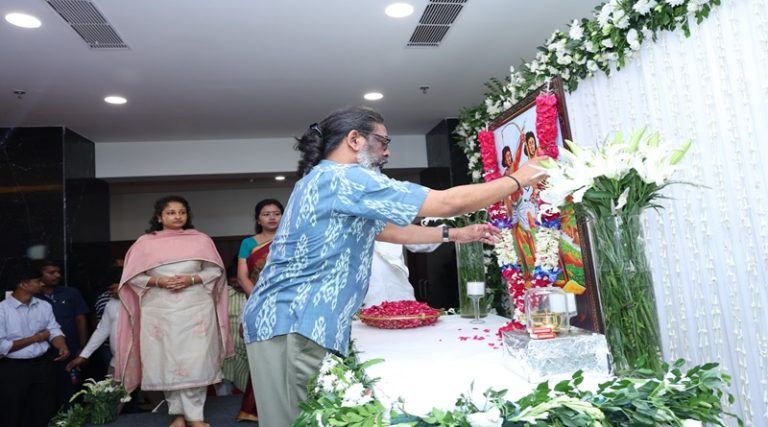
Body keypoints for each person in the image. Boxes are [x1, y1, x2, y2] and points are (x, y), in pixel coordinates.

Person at [241, 106, 546, 426]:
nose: (387, 151)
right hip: (293, 321)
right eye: (382, 141)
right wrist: (518, 178)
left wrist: (455, 234)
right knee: (296, 420)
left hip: (300, 321)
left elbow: (385, 230)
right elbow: (447, 202)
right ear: (355, 140)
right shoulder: (342, 177)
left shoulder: (324, 178)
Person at [115, 195, 233, 427]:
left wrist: (191, 279)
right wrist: (159, 282)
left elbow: (215, 271)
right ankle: (177, 414)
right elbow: (132, 277)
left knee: (196, 360)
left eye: (182, 212)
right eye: (171, 212)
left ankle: (195, 416)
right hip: (160, 309)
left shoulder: (201, 240)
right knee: (167, 360)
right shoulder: (145, 243)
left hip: (196, 308)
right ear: (159, 217)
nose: (177, 216)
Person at [0, 260, 70, 427]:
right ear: (23, 284)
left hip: (42, 365)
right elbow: (2, 347)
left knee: (44, 411)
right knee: (13, 413)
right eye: (37, 281)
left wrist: (61, 345)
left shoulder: (44, 306)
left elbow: (54, 329)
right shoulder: (2, 310)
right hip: (13, 369)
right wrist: (37, 338)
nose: (42, 283)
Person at [35, 259, 90, 407]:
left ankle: (71, 417)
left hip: (69, 351)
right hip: (42, 354)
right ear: (39, 275)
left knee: (70, 391)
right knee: (44, 393)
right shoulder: (33, 297)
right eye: (51, 272)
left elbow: (80, 319)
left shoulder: (71, 293)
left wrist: (82, 347)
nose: (57, 275)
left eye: (58, 272)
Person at [66, 267, 122, 376]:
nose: (110, 293)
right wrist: (84, 355)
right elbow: (102, 330)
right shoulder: (111, 304)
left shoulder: (142, 303)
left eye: (113, 289)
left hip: (142, 364)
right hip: (116, 363)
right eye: (108, 290)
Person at [364, 242, 439, 306]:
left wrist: (445, 232)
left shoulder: (393, 229)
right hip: (366, 300)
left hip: (400, 295)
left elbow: (418, 243)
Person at [236, 198, 284, 295]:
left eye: (277, 214)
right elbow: (242, 277)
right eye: (266, 214)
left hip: (289, 294)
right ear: (258, 220)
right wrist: (257, 298)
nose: (272, 217)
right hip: (258, 294)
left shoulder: (292, 241)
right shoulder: (248, 243)